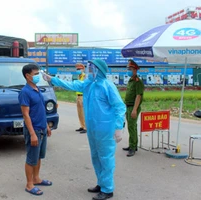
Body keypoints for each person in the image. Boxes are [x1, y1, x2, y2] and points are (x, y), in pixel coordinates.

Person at [42, 59, 126, 200]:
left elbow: (120, 107)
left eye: (92, 69)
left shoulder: (107, 86)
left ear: (99, 70)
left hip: (106, 128)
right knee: (96, 157)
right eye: (89, 68)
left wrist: (118, 127)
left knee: (105, 158)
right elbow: (72, 85)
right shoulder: (89, 85)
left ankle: (108, 189)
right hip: (93, 128)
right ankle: (101, 183)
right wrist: (52, 80)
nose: (89, 71)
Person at [18, 64, 52, 196]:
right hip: (34, 130)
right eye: (36, 74)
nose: (38, 76)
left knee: (38, 157)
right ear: (28, 76)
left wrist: (47, 126)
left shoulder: (36, 88)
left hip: (42, 128)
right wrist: (32, 134)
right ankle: (29, 184)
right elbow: (26, 115)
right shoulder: (25, 92)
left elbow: (41, 109)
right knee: (31, 158)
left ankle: (37, 178)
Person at [122, 59, 144, 157]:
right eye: (128, 68)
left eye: (130, 69)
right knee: (132, 127)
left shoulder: (138, 82)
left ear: (135, 70)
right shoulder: (131, 81)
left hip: (133, 107)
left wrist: (134, 109)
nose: (128, 70)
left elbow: (138, 96)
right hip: (128, 106)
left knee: (132, 127)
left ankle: (132, 147)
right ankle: (133, 145)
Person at [75, 63, 87, 134]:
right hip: (78, 96)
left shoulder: (85, 76)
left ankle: (85, 127)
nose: (78, 70)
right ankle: (82, 126)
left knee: (83, 112)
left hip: (83, 96)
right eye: (77, 69)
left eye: (79, 69)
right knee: (79, 112)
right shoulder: (78, 76)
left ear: (83, 69)